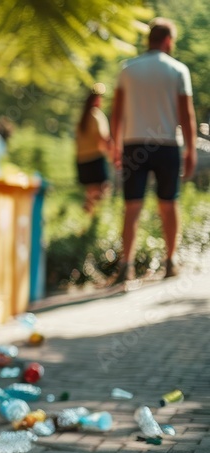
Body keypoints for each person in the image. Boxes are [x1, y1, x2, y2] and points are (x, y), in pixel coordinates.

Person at [110, 17, 196, 281]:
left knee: (132, 206)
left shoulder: (128, 69)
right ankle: (170, 262)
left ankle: (126, 266)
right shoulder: (178, 70)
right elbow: (186, 115)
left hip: (133, 143)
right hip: (168, 145)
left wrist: (115, 144)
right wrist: (191, 150)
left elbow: (116, 113)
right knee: (168, 205)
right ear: (168, 40)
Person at [75, 85, 111, 214]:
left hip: (81, 159)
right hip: (95, 157)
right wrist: (111, 152)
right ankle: (98, 216)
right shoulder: (96, 115)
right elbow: (102, 138)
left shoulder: (83, 117)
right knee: (103, 188)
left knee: (91, 191)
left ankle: (89, 216)